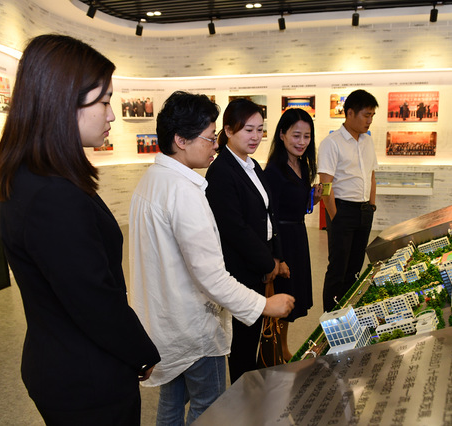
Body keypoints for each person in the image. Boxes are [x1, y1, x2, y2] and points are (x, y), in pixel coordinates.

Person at [0, 34, 160, 425]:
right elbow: (93, 298)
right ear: (64, 101)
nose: (112, 115)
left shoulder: (29, 177)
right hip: (86, 379)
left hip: (62, 363)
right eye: (104, 101)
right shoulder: (52, 195)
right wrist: (141, 352)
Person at [128, 91, 294, 425]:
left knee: (172, 403)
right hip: (194, 330)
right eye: (208, 137)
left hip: (166, 325)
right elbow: (210, 275)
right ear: (181, 140)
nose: (214, 145)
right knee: (209, 409)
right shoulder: (183, 192)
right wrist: (264, 305)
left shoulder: (152, 180)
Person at [205, 98, 289, 384]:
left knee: (255, 336)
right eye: (248, 130)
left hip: (260, 261)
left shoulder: (251, 165)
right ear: (228, 130)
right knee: (242, 341)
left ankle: (254, 391)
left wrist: (276, 256)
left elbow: (269, 214)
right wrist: (267, 263)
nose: (255, 137)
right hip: (240, 267)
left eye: (260, 130)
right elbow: (234, 228)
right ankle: (243, 395)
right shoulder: (221, 171)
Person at [264, 108, 322, 361]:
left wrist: (313, 200)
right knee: (280, 295)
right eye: (296, 135)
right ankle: (275, 351)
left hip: (298, 236)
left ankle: (282, 348)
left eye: (307, 136)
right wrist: (278, 257)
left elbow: (297, 207)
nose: (302, 142)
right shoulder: (274, 171)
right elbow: (271, 216)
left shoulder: (302, 165)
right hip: (282, 239)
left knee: (291, 298)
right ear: (282, 135)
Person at [317, 89, 379, 312]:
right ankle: (330, 317)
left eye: (372, 115)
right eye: (366, 115)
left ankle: (347, 312)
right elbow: (325, 185)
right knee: (338, 268)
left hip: (364, 211)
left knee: (355, 267)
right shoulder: (331, 143)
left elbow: (371, 175)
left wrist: (371, 206)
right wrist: (335, 218)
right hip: (342, 210)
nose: (369, 120)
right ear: (350, 113)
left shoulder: (367, 141)